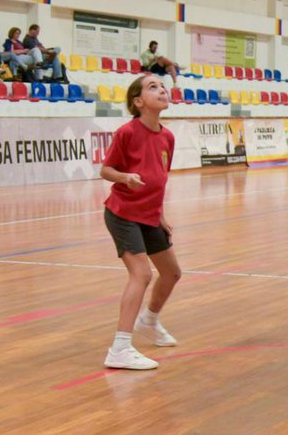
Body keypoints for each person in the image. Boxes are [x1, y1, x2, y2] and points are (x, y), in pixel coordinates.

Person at [99, 74, 182, 370]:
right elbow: (106, 169)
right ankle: (119, 348)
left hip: (149, 215)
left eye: (162, 86)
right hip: (123, 213)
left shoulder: (168, 137)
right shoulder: (127, 133)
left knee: (171, 273)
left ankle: (149, 320)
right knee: (142, 275)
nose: (162, 89)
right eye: (153, 87)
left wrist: (159, 214)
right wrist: (125, 177)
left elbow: (160, 178)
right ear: (138, 102)